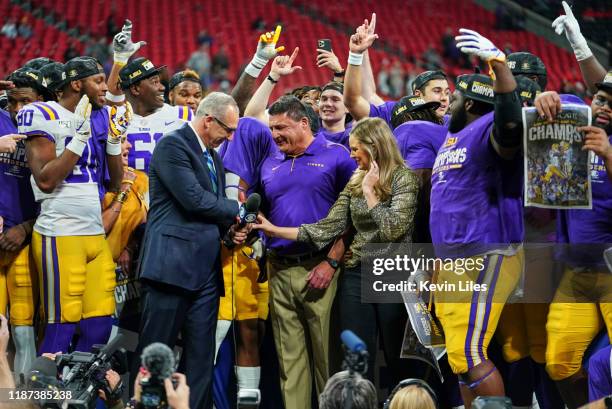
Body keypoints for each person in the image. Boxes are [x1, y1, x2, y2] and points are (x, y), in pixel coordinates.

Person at [255, 116, 418, 385]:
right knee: (356, 355)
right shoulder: (356, 180)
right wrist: (273, 230)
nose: (352, 154)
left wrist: (370, 193)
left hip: (393, 272)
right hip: (356, 271)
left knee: (397, 356)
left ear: (375, 147)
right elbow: (327, 227)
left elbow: (393, 229)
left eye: (356, 149)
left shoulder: (404, 178)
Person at [429, 29, 524, 408]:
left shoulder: (487, 127)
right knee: (457, 357)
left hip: (486, 250)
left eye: (453, 98)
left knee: (470, 351)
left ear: (469, 103)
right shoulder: (454, 136)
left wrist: (500, 68)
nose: (448, 103)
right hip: (452, 257)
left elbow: (511, 126)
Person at [135, 92, 246, 409]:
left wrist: (231, 232)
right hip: (170, 268)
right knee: (155, 356)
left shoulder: (213, 156)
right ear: (208, 120)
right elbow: (193, 199)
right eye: (227, 129)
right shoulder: (174, 145)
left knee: (200, 361)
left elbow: (209, 211)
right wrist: (235, 210)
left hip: (206, 272)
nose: (230, 136)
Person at [254, 96, 355, 409]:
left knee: (328, 360)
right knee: (289, 362)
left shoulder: (337, 156)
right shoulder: (269, 163)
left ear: (303, 123)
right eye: (272, 128)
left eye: (281, 127)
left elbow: (353, 216)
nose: (275, 134)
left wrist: (331, 262)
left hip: (320, 267)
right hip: (278, 269)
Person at [19, 57, 125, 354]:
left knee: (100, 325)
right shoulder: (40, 112)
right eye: (99, 81)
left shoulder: (100, 115)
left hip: (94, 233)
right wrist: (78, 138)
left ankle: (81, 399)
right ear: (77, 83)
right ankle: (41, 398)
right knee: (60, 327)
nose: (106, 87)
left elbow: (115, 184)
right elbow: (46, 180)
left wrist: (114, 141)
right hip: (60, 231)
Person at [537, 73, 612, 408]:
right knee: (558, 361)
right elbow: (549, 109)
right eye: (601, 99)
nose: (605, 107)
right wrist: (544, 100)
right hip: (577, 271)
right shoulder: (576, 124)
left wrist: (608, 155)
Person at [1, 68, 44, 379]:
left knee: (24, 329)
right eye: (12, 102)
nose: (17, 110)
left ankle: (23, 398)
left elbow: (62, 194)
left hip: (27, 241)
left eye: (25, 102)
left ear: (41, 99)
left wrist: (25, 227)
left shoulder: (52, 128)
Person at [343, 14, 450, 127]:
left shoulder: (454, 124)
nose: (444, 98)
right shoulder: (398, 115)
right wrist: (359, 53)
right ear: (418, 95)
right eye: (437, 91)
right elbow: (360, 99)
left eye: (447, 93)